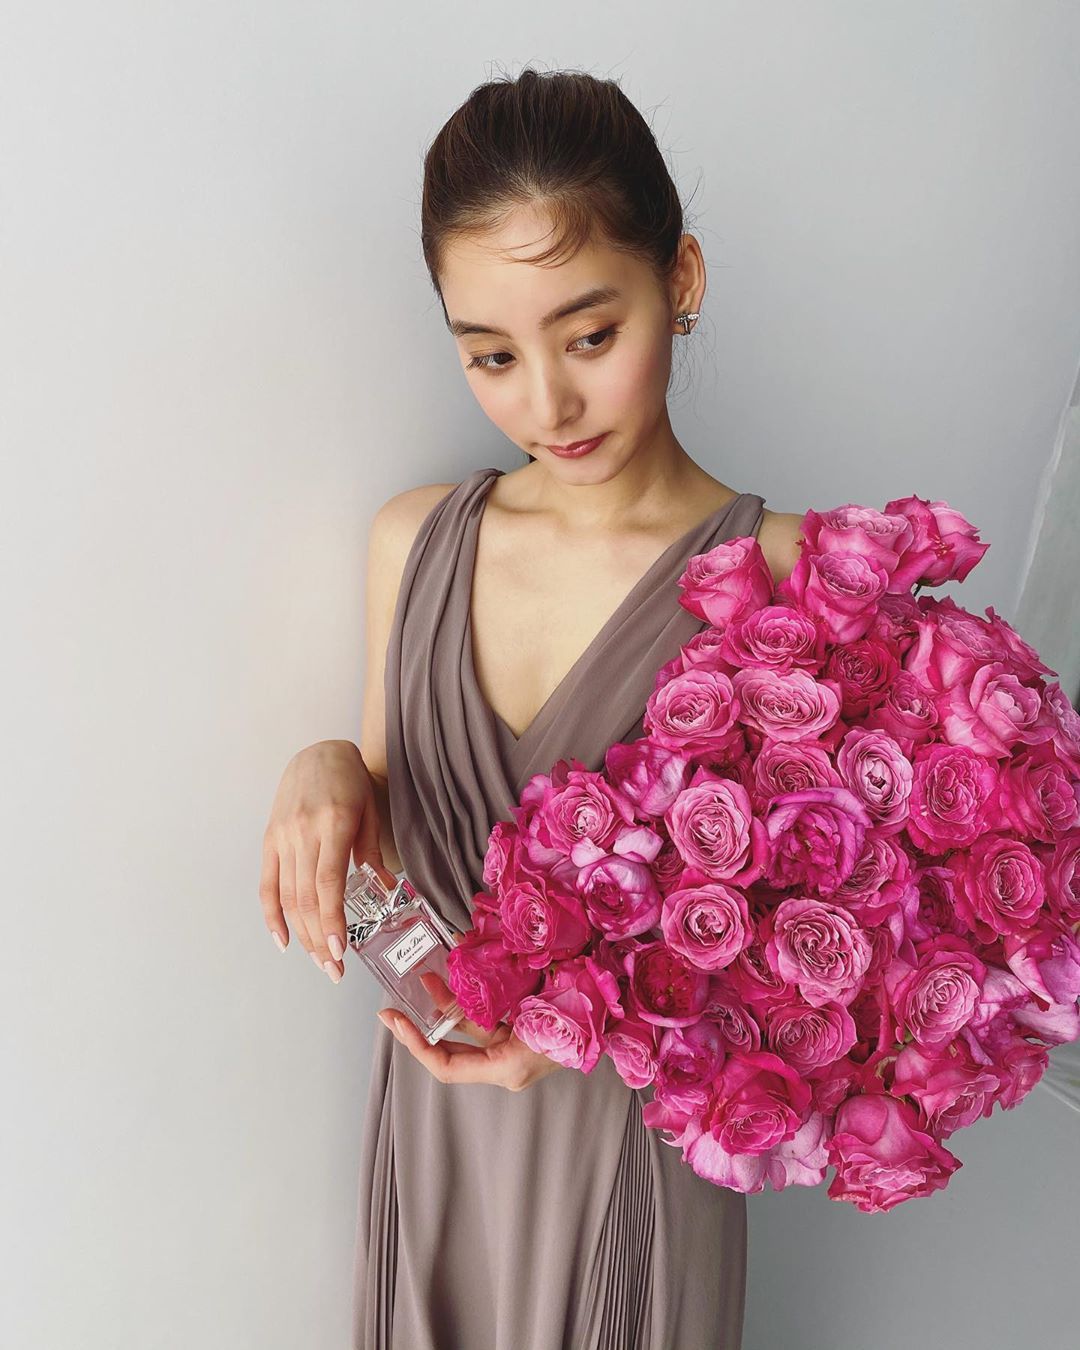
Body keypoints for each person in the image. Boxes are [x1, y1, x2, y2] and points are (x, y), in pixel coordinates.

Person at [260, 65, 805, 1350]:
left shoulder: (783, 576)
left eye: (590, 336)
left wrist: (585, 1029)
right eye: (493, 357)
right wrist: (325, 765)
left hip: (632, 1150)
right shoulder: (414, 543)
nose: (546, 404)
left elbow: (819, 958)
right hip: (440, 1134)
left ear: (680, 280)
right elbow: (395, 835)